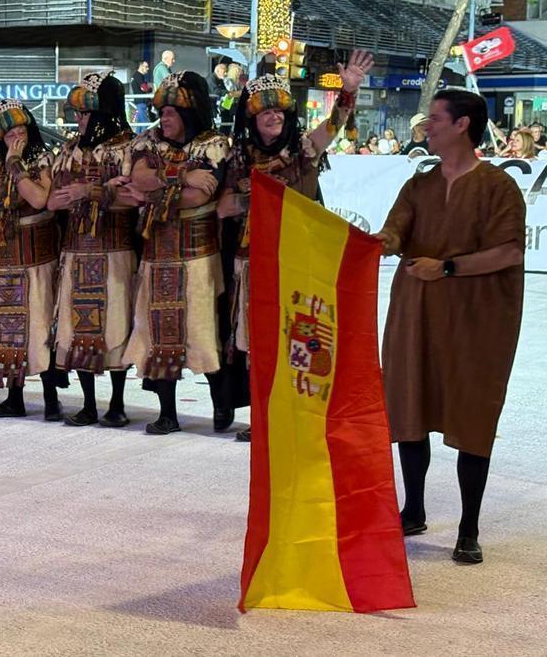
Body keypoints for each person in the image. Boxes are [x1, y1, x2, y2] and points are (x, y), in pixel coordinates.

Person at [376, 88, 525, 565]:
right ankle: (413, 508)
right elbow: (396, 230)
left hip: (475, 319)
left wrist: (447, 268)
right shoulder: (419, 184)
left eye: (436, 118)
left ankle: (469, 527)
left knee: (472, 412)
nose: (427, 127)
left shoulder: (498, 187)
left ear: (463, 125)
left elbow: (509, 251)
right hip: (416, 312)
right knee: (410, 404)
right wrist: (379, 241)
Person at [219, 51, 373, 442]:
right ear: (252, 119)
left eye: (280, 111)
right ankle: (261, 416)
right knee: (255, 342)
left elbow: (333, 126)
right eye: (265, 112)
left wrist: (348, 92)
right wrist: (258, 200)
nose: (274, 116)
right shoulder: (238, 156)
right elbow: (223, 207)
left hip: (297, 260)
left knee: (298, 337)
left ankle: (299, 413)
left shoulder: (303, 150)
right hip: (252, 261)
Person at [125, 71, 227, 435]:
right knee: (158, 333)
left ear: (188, 112)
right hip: (157, 255)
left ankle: (221, 406)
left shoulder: (213, 143)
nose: (163, 119)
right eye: (162, 112)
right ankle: (167, 412)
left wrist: (153, 193)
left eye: (170, 113)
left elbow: (201, 196)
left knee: (203, 332)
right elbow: (138, 179)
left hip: (198, 254)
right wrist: (181, 178)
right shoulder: (149, 142)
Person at [48, 71, 136, 427]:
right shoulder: (70, 150)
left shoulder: (129, 147)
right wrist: (76, 195)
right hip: (76, 249)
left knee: (115, 324)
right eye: (78, 113)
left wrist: (91, 192)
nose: (79, 119)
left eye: (85, 113)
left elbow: (133, 198)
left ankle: (117, 402)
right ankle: (87, 403)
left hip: (114, 248)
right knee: (77, 326)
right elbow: (53, 199)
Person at [0, 99, 62, 420]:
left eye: (21, 129)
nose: (17, 136)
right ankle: (14, 397)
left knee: (40, 327)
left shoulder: (41, 160)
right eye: (9, 133)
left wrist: (16, 165)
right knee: (7, 330)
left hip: (36, 259)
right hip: (1, 260)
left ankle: (51, 399)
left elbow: (40, 198)